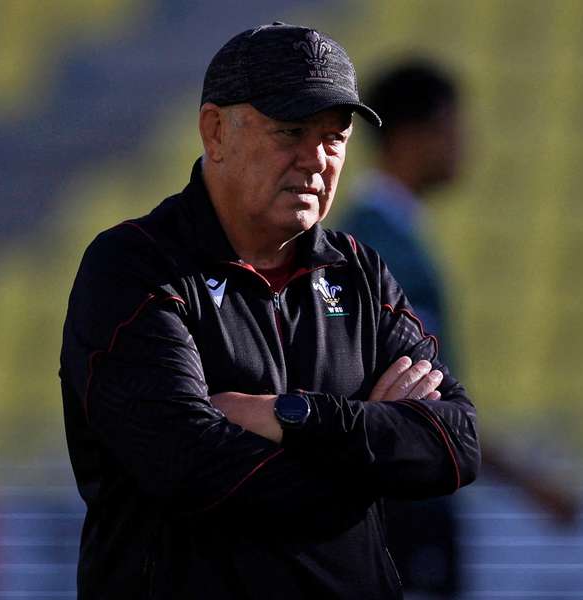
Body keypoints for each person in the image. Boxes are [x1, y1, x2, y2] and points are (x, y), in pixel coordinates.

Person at [59, 23, 480, 599]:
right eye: (290, 130)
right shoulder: (131, 270)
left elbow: (456, 443)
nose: (316, 159)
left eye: (335, 137)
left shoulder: (360, 272)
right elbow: (194, 470)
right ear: (215, 131)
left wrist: (296, 417)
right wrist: (373, 449)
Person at [339, 61, 580, 598]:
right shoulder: (384, 251)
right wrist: (528, 483)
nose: (464, 145)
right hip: (405, 511)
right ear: (409, 137)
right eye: (453, 128)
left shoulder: (379, 236)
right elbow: (423, 403)